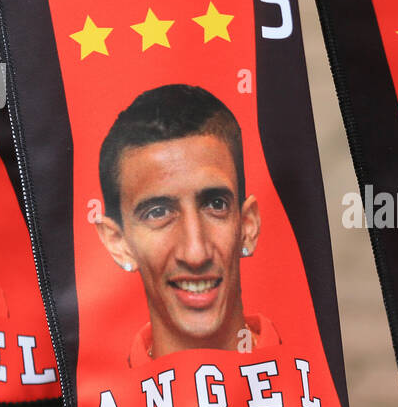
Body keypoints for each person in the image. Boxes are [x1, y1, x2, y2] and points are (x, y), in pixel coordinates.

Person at [95, 84, 276, 363]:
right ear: (118, 242)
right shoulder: (91, 399)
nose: (195, 253)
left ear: (248, 225)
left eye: (216, 205)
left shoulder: (316, 378)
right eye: (157, 213)